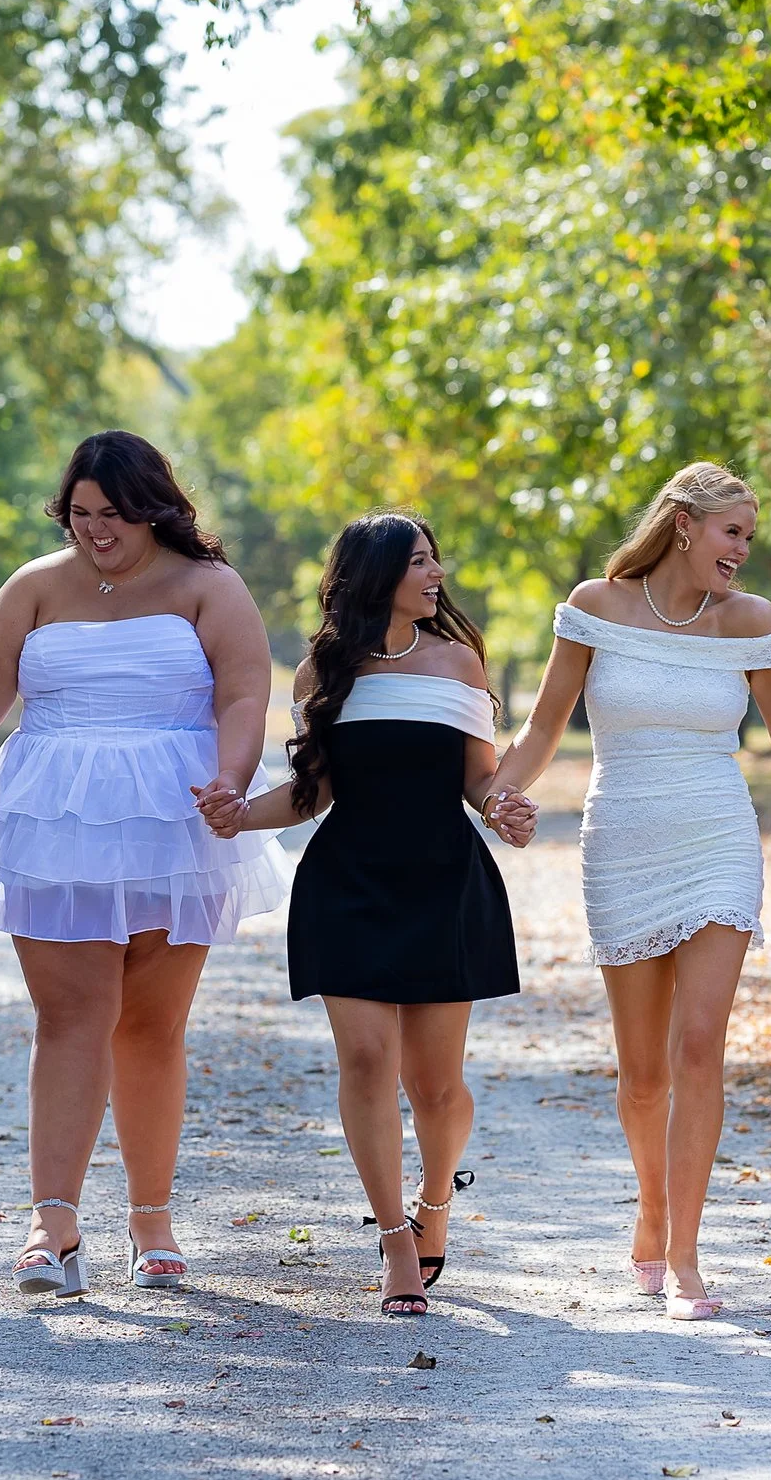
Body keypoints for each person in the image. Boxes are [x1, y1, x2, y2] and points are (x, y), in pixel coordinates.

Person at [0, 432, 283, 1297]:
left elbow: (245, 692)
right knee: (70, 1015)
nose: (96, 531)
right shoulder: (34, 586)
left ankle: (151, 1219)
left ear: (155, 507)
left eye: (114, 515)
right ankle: (51, 1225)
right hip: (55, 814)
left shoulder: (210, 587)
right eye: (81, 514)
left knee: (151, 1026)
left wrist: (232, 783)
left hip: (174, 814)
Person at [482, 463, 771, 1321]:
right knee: (644, 1071)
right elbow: (544, 725)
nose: (743, 552)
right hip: (623, 837)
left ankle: (685, 1253)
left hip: (717, 835)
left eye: (750, 538)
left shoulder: (753, 622)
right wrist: (497, 793)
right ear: (684, 525)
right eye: (733, 532)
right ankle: (650, 1207)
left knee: (699, 1048)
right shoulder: (597, 605)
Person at [199, 514, 533, 1317]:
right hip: (346, 883)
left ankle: (435, 1205)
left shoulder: (459, 660)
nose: (437, 573)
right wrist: (238, 815)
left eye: (435, 557)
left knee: (439, 1087)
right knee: (365, 1059)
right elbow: (315, 788)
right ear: (375, 573)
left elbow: (477, 778)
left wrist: (504, 808)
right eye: (419, 561)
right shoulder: (323, 669)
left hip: (443, 881)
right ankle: (394, 1244)